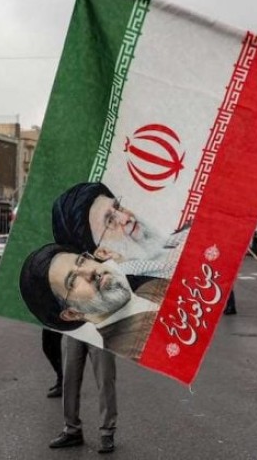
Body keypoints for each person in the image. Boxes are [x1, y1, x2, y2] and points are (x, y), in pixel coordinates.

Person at [20, 244, 167, 453]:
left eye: (81, 260)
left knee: (105, 379)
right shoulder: (76, 319)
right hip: (76, 334)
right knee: (70, 378)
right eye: (73, 281)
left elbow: (163, 264)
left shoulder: (133, 292)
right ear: (70, 313)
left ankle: (107, 432)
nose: (90, 272)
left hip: (100, 336)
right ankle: (71, 430)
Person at [52, 182, 186, 274]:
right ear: (103, 253)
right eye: (110, 221)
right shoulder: (142, 290)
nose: (126, 217)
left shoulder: (173, 242)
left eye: (118, 207)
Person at [42, 329, 63, 398]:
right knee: (47, 347)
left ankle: (62, 383)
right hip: (49, 323)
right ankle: (61, 381)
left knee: (55, 349)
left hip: (58, 324)